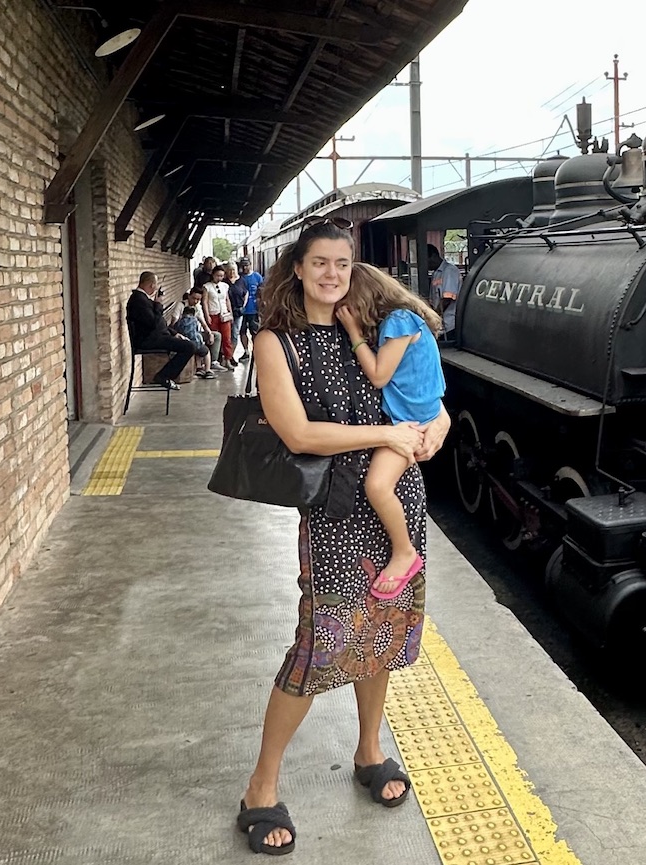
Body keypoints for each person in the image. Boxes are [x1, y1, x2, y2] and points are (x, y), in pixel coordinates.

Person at [237, 219, 450, 856]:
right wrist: (386, 437)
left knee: (382, 638)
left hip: (394, 502)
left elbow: (419, 390)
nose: (333, 274)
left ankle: (368, 750)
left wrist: (434, 421)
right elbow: (299, 434)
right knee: (317, 648)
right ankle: (261, 785)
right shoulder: (279, 342)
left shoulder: (375, 325)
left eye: (343, 263)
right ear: (297, 268)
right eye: (320, 263)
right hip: (335, 515)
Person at [335, 262, 445, 598]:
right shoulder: (404, 318)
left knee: (378, 486)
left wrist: (353, 333)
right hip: (417, 413)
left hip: (411, 420)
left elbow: (380, 376)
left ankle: (404, 552)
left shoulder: (398, 321)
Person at [125, 271, 194, 390]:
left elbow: (159, 323)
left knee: (188, 344)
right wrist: (158, 304)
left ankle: (165, 376)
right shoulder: (138, 301)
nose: (156, 288)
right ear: (152, 285)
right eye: (156, 285)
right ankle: (164, 376)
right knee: (188, 347)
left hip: (156, 336)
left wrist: (175, 333)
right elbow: (153, 323)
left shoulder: (143, 299)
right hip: (148, 340)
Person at [170, 298, 216, 379]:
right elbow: (197, 334)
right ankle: (208, 370)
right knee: (206, 351)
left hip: (184, 342)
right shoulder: (194, 321)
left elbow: (174, 326)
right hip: (194, 343)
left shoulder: (180, 322)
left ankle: (198, 368)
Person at [202, 264, 237, 370]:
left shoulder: (225, 286)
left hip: (224, 314)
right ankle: (214, 360)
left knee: (227, 338)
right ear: (213, 275)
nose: (219, 278)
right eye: (217, 275)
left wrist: (230, 312)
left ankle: (227, 359)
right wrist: (207, 315)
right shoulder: (206, 286)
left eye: (221, 276)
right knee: (215, 338)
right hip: (213, 314)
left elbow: (227, 300)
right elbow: (205, 302)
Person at [427, 244, 461, 338]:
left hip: (449, 324)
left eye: (427, 261)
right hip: (440, 324)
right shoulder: (435, 274)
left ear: (434, 256)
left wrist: (435, 315)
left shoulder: (449, 271)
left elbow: (447, 298)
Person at [234, 258, 263, 362]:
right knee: (242, 332)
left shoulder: (257, 277)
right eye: (243, 265)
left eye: (247, 265)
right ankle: (246, 351)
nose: (245, 267)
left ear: (250, 265)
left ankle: (256, 351)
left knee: (254, 331)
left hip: (254, 310)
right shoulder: (239, 278)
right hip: (241, 310)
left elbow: (262, 291)